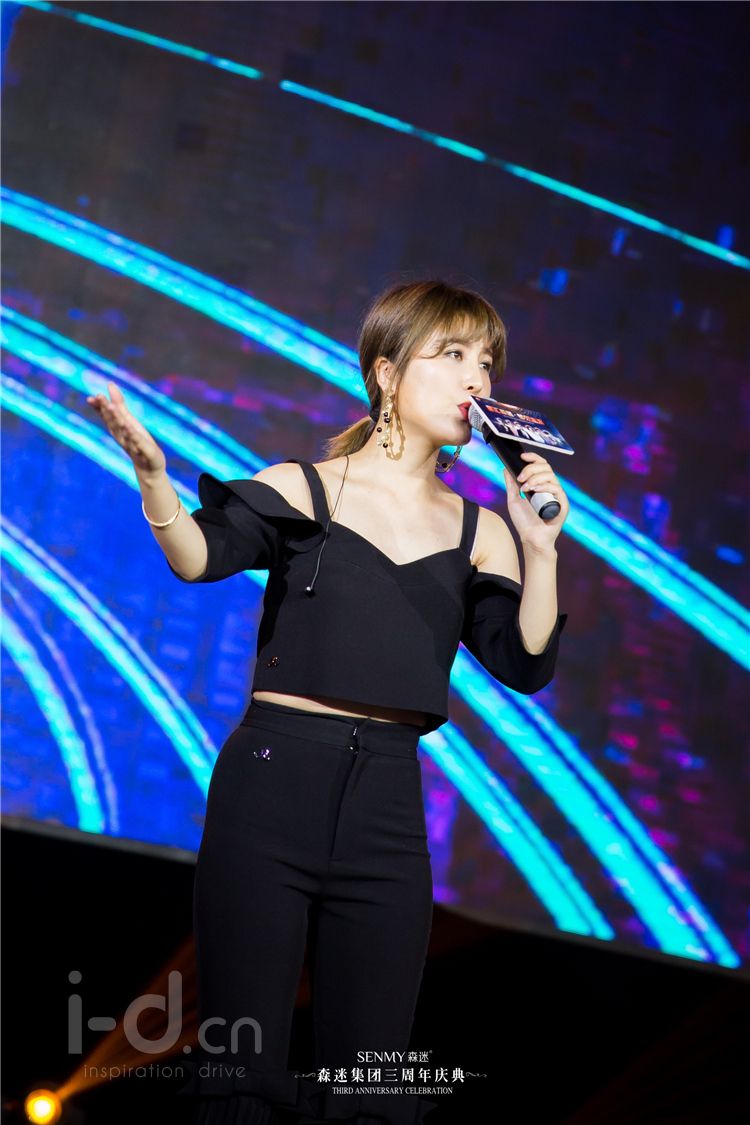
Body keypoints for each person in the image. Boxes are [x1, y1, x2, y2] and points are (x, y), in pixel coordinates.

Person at [87, 278, 569, 1125]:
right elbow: (197, 557)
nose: (478, 379)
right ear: (387, 371)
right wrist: (153, 476)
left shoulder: (482, 530)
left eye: (488, 363)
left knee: (372, 1083)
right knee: (240, 1069)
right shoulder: (309, 487)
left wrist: (541, 549)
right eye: (454, 354)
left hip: (387, 806)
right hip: (271, 788)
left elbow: (525, 663)